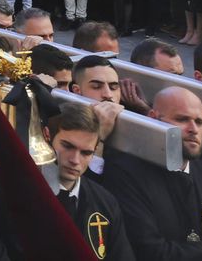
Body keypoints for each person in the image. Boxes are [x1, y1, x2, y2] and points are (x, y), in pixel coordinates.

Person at [105, 87, 202, 261]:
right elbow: (150, 252)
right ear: (153, 118)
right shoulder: (125, 174)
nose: (194, 129)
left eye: (199, 122)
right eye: (182, 119)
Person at [43, 104, 135, 261]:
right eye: (67, 146)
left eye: (86, 153)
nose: (75, 160)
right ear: (47, 135)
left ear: (95, 149)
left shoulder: (105, 202)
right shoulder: (26, 193)